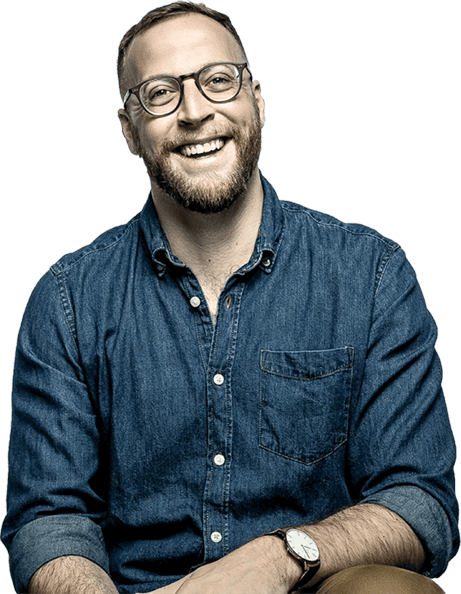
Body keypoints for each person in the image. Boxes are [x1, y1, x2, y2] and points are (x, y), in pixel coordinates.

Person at [2, 2, 458, 593]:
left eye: (218, 80)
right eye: (161, 93)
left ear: (257, 101)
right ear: (129, 131)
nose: (195, 112)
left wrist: (277, 558)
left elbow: (418, 499)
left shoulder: (371, 276)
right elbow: (49, 518)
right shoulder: (67, 301)